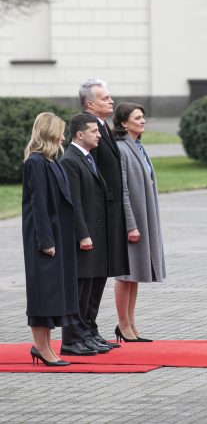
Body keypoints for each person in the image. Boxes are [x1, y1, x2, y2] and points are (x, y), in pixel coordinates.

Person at [21, 112, 78, 367]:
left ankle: (46, 348)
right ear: (50, 133)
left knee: (53, 292)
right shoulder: (35, 162)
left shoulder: (52, 160)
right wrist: (46, 241)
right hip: (43, 237)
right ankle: (41, 349)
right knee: (42, 293)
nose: (64, 136)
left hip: (58, 235)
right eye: (60, 131)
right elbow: (39, 205)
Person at [79, 78, 129, 349]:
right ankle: (83, 331)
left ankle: (91, 328)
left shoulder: (102, 126)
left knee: (101, 273)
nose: (111, 101)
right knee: (93, 274)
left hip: (108, 212)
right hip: (97, 214)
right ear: (89, 103)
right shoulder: (85, 128)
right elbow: (89, 172)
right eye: (104, 98)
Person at [112, 102, 166, 342]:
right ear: (124, 123)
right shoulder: (121, 149)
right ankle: (123, 325)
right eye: (137, 117)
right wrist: (130, 224)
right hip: (131, 221)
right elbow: (122, 189)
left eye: (143, 117)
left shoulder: (139, 147)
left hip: (144, 217)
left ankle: (130, 323)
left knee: (135, 274)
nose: (143, 121)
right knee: (125, 274)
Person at [59, 114, 111, 356]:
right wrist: (82, 234)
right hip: (84, 237)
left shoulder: (87, 157)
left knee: (92, 288)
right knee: (80, 290)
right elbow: (74, 203)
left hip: (96, 235)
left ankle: (87, 333)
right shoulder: (70, 160)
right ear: (80, 134)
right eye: (94, 131)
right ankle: (72, 339)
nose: (99, 134)